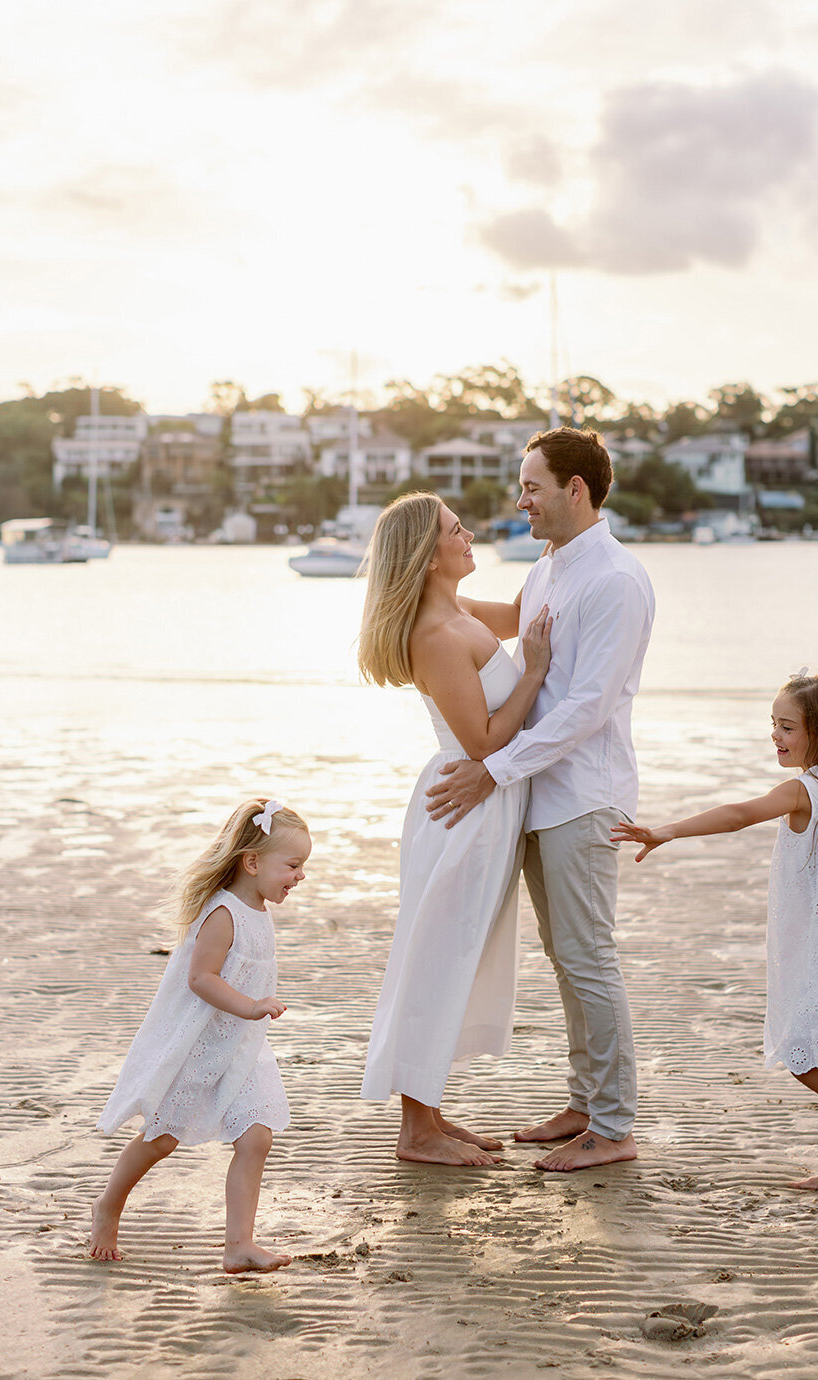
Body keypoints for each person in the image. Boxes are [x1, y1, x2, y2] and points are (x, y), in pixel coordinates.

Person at [613, 671, 818, 1209]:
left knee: (806, 1055)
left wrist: (668, 830)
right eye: (773, 725)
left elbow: (740, 814)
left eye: (788, 727)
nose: (776, 737)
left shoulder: (803, 789)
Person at [425, 428, 655, 1173]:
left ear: (574, 489)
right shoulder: (551, 565)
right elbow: (511, 639)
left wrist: (496, 768)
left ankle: (614, 1126)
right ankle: (585, 1102)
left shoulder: (616, 580)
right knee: (566, 958)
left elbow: (589, 704)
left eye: (530, 486)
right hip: (536, 793)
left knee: (589, 959)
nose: (519, 499)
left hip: (584, 796)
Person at [357, 492, 553, 1166]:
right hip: (463, 807)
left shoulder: (460, 612)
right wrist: (533, 674)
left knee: (455, 953)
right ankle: (416, 1131)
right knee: (437, 956)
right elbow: (484, 739)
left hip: (487, 809)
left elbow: (530, 609)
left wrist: (562, 540)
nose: (468, 534)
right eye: (453, 529)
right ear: (427, 553)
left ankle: (431, 1115)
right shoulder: (435, 635)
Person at [90, 798, 310, 1270]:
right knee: (163, 1137)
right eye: (292, 865)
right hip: (199, 1044)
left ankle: (239, 1247)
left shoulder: (257, 910)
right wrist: (252, 1006)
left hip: (242, 1046)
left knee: (256, 1136)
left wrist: (251, 1014)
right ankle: (108, 1206)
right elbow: (201, 979)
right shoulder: (225, 913)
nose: (300, 876)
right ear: (252, 862)